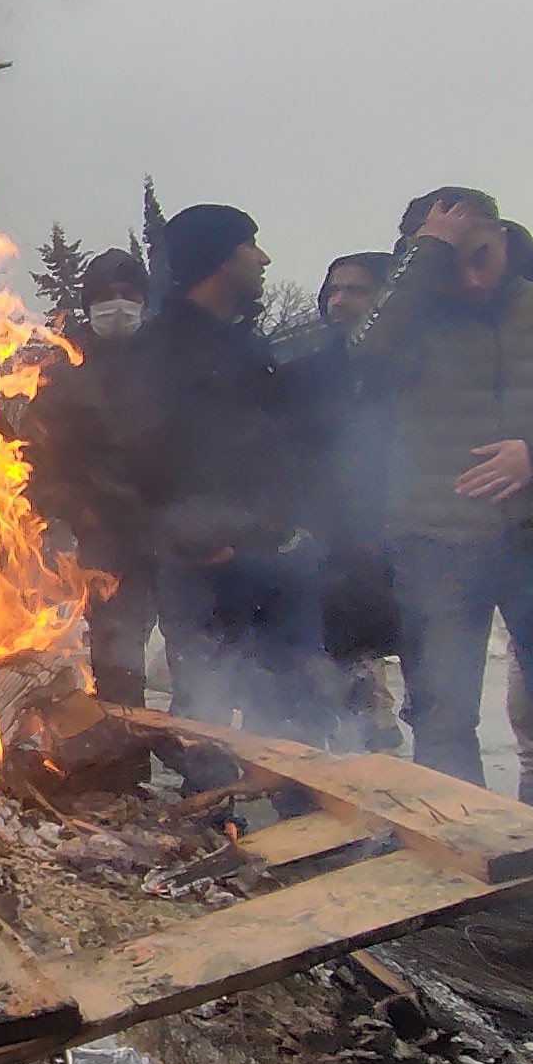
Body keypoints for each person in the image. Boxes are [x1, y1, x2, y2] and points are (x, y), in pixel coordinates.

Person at [350, 190, 533, 827]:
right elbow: (364, 350)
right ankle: (466, 848)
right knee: (442, 715)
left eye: (482, 256)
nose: (469, 279)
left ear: (504, 239)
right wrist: (425, 256)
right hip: (437, 539)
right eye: (450, 261)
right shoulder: (405, 325)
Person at [126, 206, 328, 740]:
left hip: (276, 557)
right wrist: (194, 543)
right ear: (219, 259)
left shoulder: (248, 345)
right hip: (206, 569)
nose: (263, 259)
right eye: (250, 247)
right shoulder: (158, 352)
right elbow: (140, 461)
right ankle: (210, 817)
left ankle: (302, 815)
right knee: (205, 713)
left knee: (292, 711)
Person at [21, 248, 160, 710]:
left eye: (127, 294)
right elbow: (38, 458)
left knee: (198, 652)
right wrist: (79, 509)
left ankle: (204, 754)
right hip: (105, 536)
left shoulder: (167, 362)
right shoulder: (64, 372)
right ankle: (124, 751)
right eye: (104, 296)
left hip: (177, 530)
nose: (117, 305)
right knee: (117, 649)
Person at [291, 253, 402, 748]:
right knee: (338, 679)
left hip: (409, 539)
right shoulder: (309, 375)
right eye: (334, 290)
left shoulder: (408, 368)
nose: (340, 301)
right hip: (332, 549)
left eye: (356, 290)